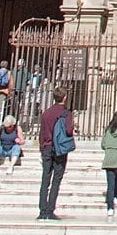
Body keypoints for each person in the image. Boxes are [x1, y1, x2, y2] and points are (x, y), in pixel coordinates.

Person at [37, 86, 74, 221]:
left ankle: (42, 210)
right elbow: (69, 131)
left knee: (45, 180)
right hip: (60, 150)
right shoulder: (66, 113)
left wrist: (42, 148)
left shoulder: (46, 113)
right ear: (64, 98)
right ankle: (50, 210)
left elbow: (41, 133)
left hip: (46, 148)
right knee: (56, 180)